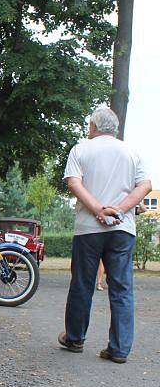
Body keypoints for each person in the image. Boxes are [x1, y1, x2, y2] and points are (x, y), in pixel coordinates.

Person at [57, 107, 152, 364]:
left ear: (93, 127)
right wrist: (119, 209)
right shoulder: (132, 152)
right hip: (122, 229)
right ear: (116, 129)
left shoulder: (81, 150)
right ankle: (119, 349)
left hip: (89, 228)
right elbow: (146, 185)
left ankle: (75, 338)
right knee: (122, 288)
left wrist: (98, 209)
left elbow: (74, 183)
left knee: (82, 284)